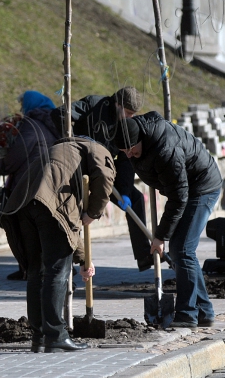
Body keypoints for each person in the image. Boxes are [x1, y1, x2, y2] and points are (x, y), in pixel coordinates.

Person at [1, 137, 116, 352]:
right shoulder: (97, 149)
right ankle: (55, 336)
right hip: (48, 206)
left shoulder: (61, 148)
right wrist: (93, 213)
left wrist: (83, 259)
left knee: (36, 271)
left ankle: (39, 336)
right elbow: (105, 176)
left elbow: (64, 225)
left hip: (24, 206)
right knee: (57, 271)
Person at [114, 113, 223, 329]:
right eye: (124, 151)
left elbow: (179, 197)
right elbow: (126, 163)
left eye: (131, 149)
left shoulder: (165, 149)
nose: (129, 154)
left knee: (182, 249)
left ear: (141, 140)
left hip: (202, 187)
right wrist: (124, 191)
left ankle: (187, 314)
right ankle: (204, 311)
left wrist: (160, 236)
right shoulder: (131, 142)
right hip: (182, 189)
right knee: (182, 251)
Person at [50, 86, 153, 271]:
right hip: (79, 171)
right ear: (117, 104)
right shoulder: (93, 104)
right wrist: (75, 139)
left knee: (136, 199)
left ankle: (144, 255)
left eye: (133, 114)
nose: (130, 117)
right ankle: (69, 267)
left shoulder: (127, 125)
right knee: (75, 212)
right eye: (128, 112)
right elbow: (59, 114)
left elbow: (125, 159)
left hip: (103, 173)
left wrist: (125, 190)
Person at [0, 90, 61, 280]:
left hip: (27, 184)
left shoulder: (31, 126)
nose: (21, 108)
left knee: (23, 230)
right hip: (49, 183)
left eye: (23, 104)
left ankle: (30, 269)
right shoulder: (53, 123)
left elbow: (17, 154)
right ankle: (35, 268)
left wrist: (1, 164)